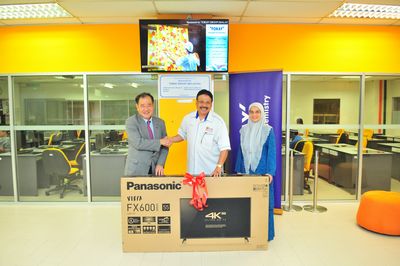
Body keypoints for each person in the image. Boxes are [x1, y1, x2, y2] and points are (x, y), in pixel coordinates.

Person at [234, 102, 276, 241]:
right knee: (247, 203)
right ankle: (248, 232)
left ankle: (265, 235)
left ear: (262, 113)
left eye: (257, 111)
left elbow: (271, 152)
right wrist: (239, 170)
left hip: (262, 171)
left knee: (264, 204)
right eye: (251, 112)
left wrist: (270, 172)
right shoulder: (243, 129)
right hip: (246, 170)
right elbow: (240, 151)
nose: (254, 115)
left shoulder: (268, 130)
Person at [169, 89, 231, 177]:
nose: (204, 105)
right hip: (192, 173)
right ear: (196, 103)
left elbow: (224, 148)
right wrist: (170, 140)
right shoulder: (188, 119)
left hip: (211, 173)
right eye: (201, 102)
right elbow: (182, 135)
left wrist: (219, 166)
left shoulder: (218, 122)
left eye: (207, 102)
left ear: (211, 104)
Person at [124, 93, 171, 176]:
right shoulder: (131, 122)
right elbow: (138, 143)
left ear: (153, 106)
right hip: (137, 169)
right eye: (142, 106)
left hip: (155, 168)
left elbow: (165, 145)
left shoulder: (160, 122)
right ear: (137, 107)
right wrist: (160, 142)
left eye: (149, 105)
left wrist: (160, 164)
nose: (146, 109)